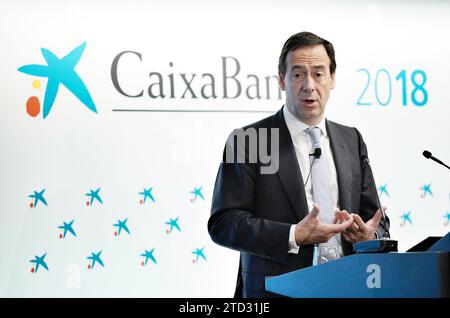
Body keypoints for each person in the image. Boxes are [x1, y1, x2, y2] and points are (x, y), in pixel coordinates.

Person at [208, 31, 390, 298]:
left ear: (332, 79)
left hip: (350, 288)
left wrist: (369, 238)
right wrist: (293, 234)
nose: (309, 85)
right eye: (297, 74)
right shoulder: (251, 140)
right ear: (282, 80)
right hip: (275, 293)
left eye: (318, 74)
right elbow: (224, 223)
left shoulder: (351, 139)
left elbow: (377, 221)